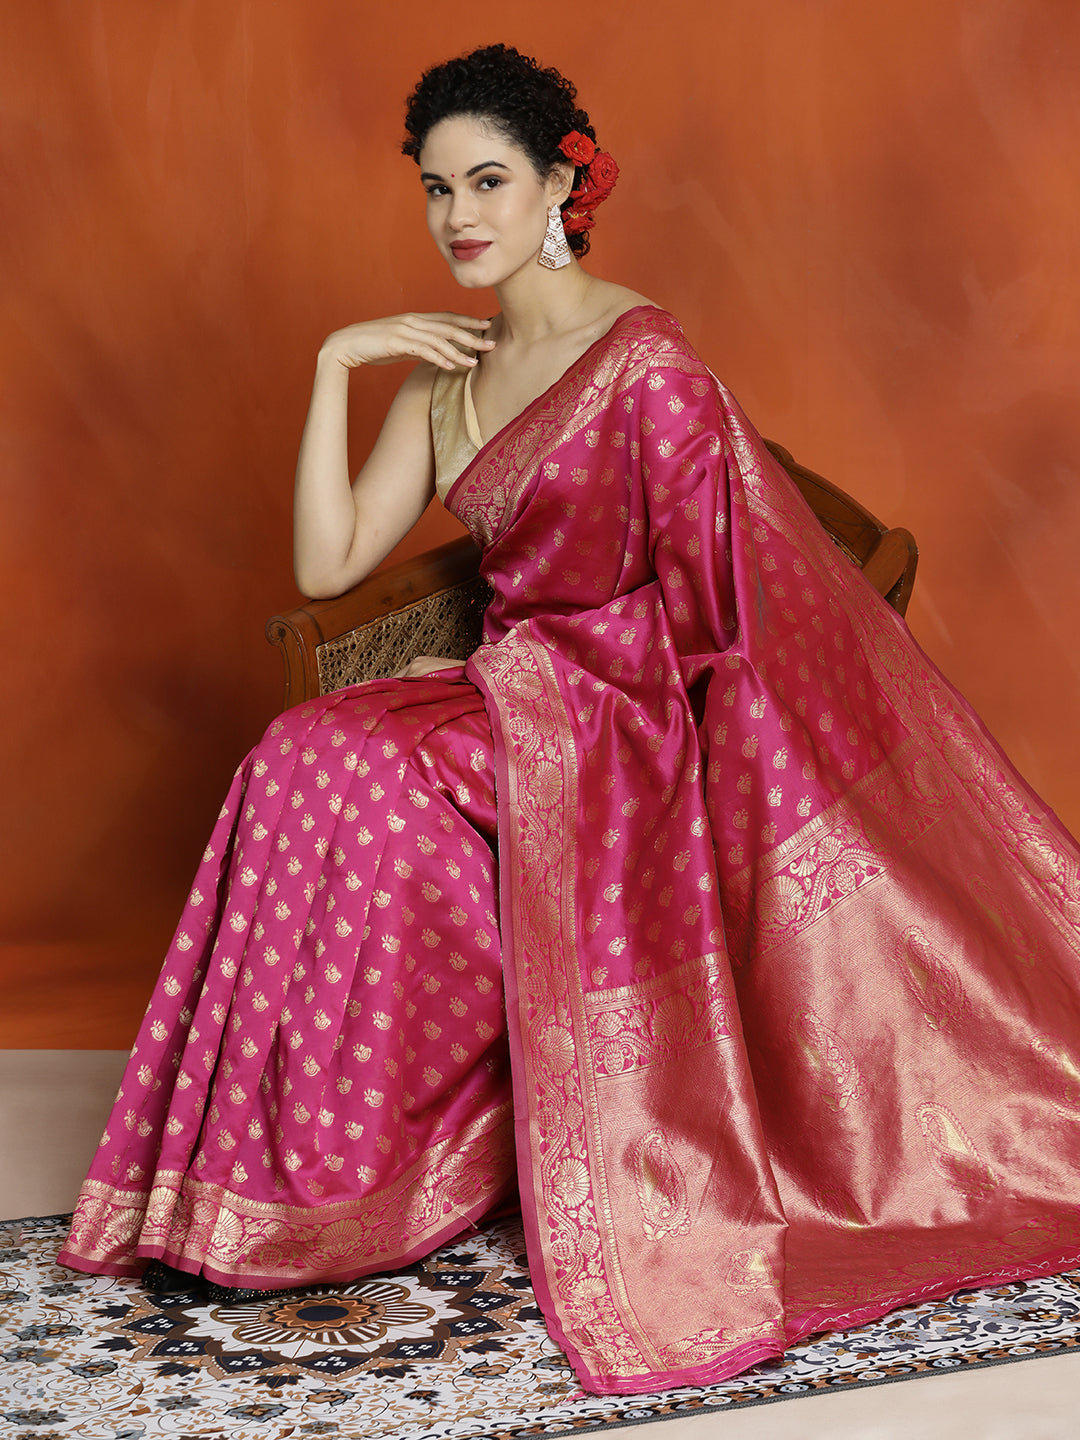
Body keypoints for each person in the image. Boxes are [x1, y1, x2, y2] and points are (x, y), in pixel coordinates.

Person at [60, 43, 1080, 1397]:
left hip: (625, 717)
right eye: (437, 190)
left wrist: (594, 691)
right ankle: (300, 1185)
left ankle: (376, 1168)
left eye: (488, 181)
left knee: (359, 772)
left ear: (560, 182)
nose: (458, 216)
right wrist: (336, 364)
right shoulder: (443, 375)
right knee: (303, 754)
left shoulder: (644, 362)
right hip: (511, 696)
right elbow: (327, 560)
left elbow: (730, 596)